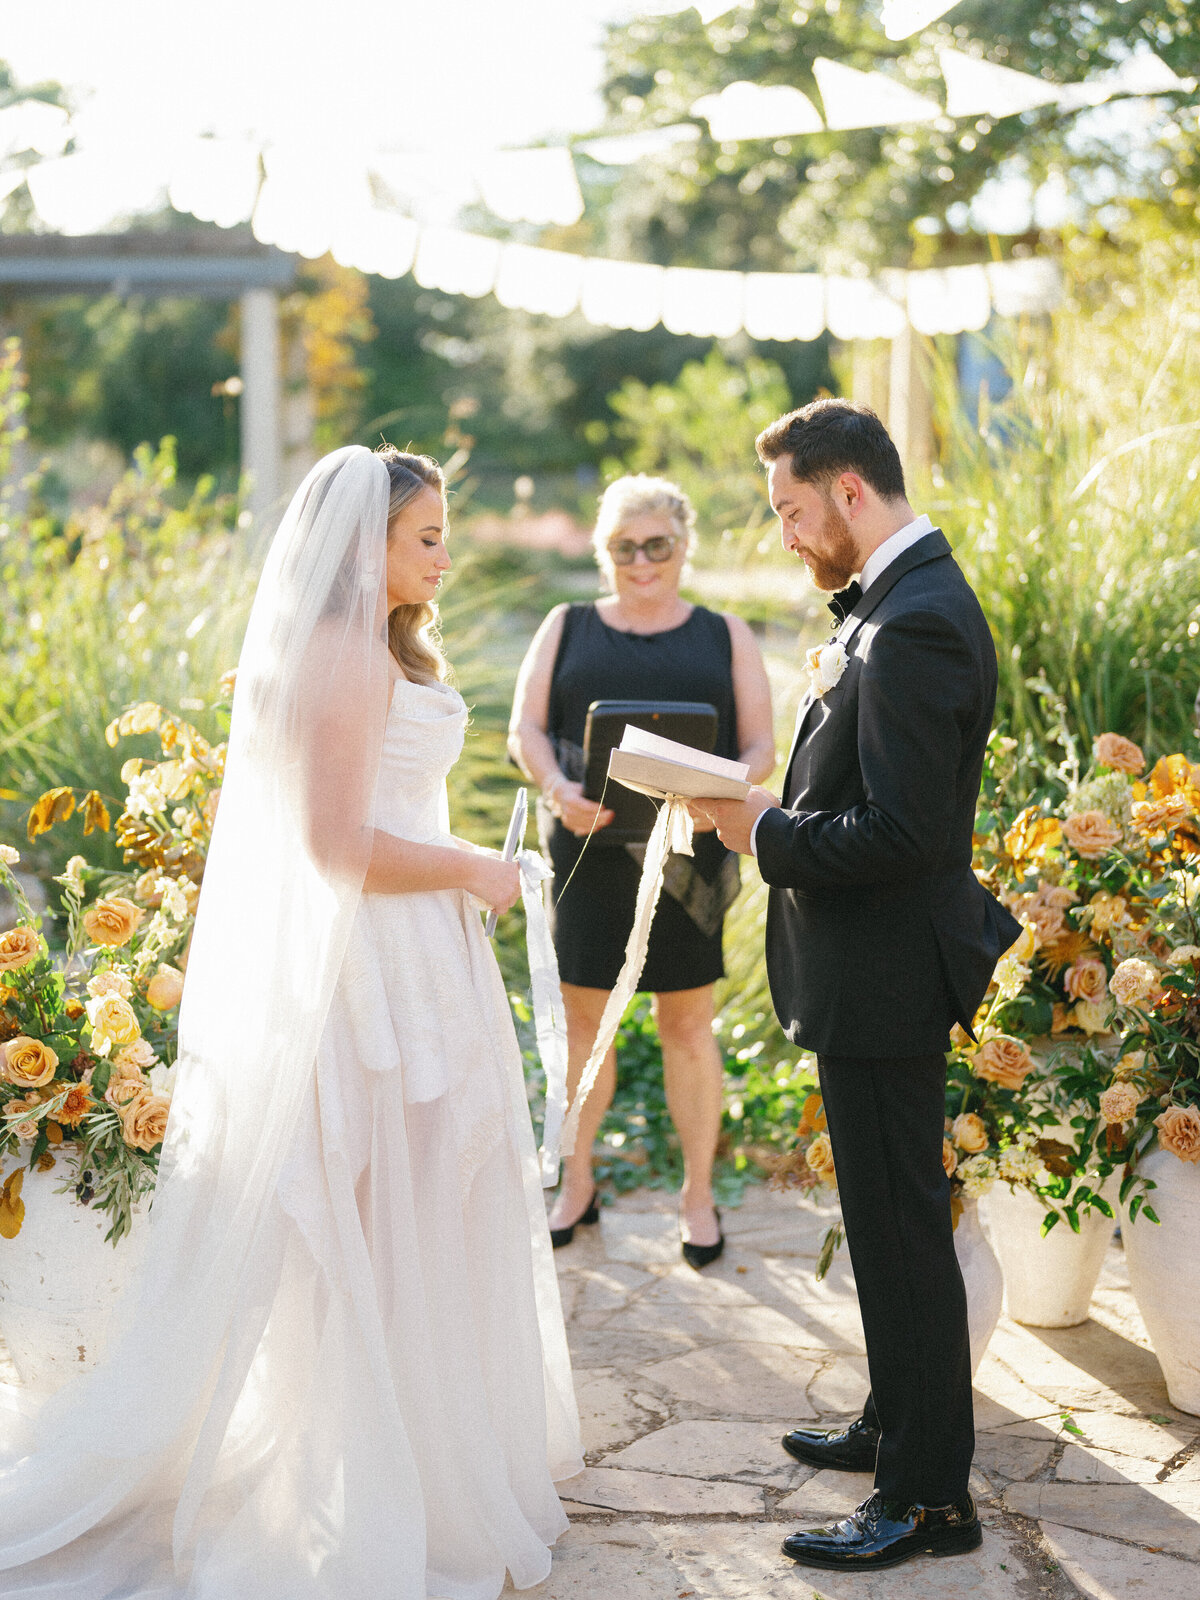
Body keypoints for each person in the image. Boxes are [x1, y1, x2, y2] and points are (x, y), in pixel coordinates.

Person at [0, 445, 581, 1599]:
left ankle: (419, 1459)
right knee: (373, 1218)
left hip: (419, 956)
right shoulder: (337, 655)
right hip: (369, 967)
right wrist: (475, 866)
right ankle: (363, 1486)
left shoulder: (375, 649)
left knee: (425, 1207)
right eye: (426, 536)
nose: (445, 556)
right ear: (363, 547)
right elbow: (333, 846)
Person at [694, 400, 1020, 1573]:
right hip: (864, 973)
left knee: (903, 1231)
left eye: (790, 509)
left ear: (847, 492)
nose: (785, 534)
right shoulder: (890, 603)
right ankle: (898, 1419)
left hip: (889, 975)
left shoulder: (919, 619)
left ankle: (931, 1500)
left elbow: (905, 833)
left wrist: (764, 833)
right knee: (884, 1228)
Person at [509, 475, 774, 1268]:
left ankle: (698, 1196)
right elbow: (524, 727)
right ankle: (577, 1183)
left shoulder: (727, 633)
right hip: (588, 852)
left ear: (684, 545)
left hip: (689, 859)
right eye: (624, 548)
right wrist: (556, 791)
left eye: (657, 544)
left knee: (687, 1027)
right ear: (604, 553)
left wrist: (722, 795)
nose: (642, 561)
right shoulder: (568, 624)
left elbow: (761, 745)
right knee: (585, 1030)